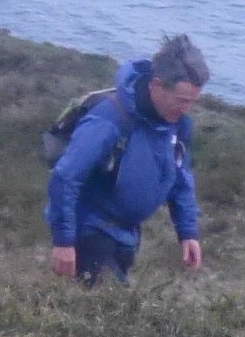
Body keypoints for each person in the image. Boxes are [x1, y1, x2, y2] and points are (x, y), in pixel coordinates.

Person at [47, 34, 207, 284]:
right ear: (156, 85)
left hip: (127, 236)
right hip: (90, 230)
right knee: (112, 302)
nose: (186, 109)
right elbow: (66, 176)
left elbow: (180, 179)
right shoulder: (109, 119)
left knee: (108, 304)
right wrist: (64, 242)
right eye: (182, 100)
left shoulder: (178, 126)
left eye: (193, 102)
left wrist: (188, 232)